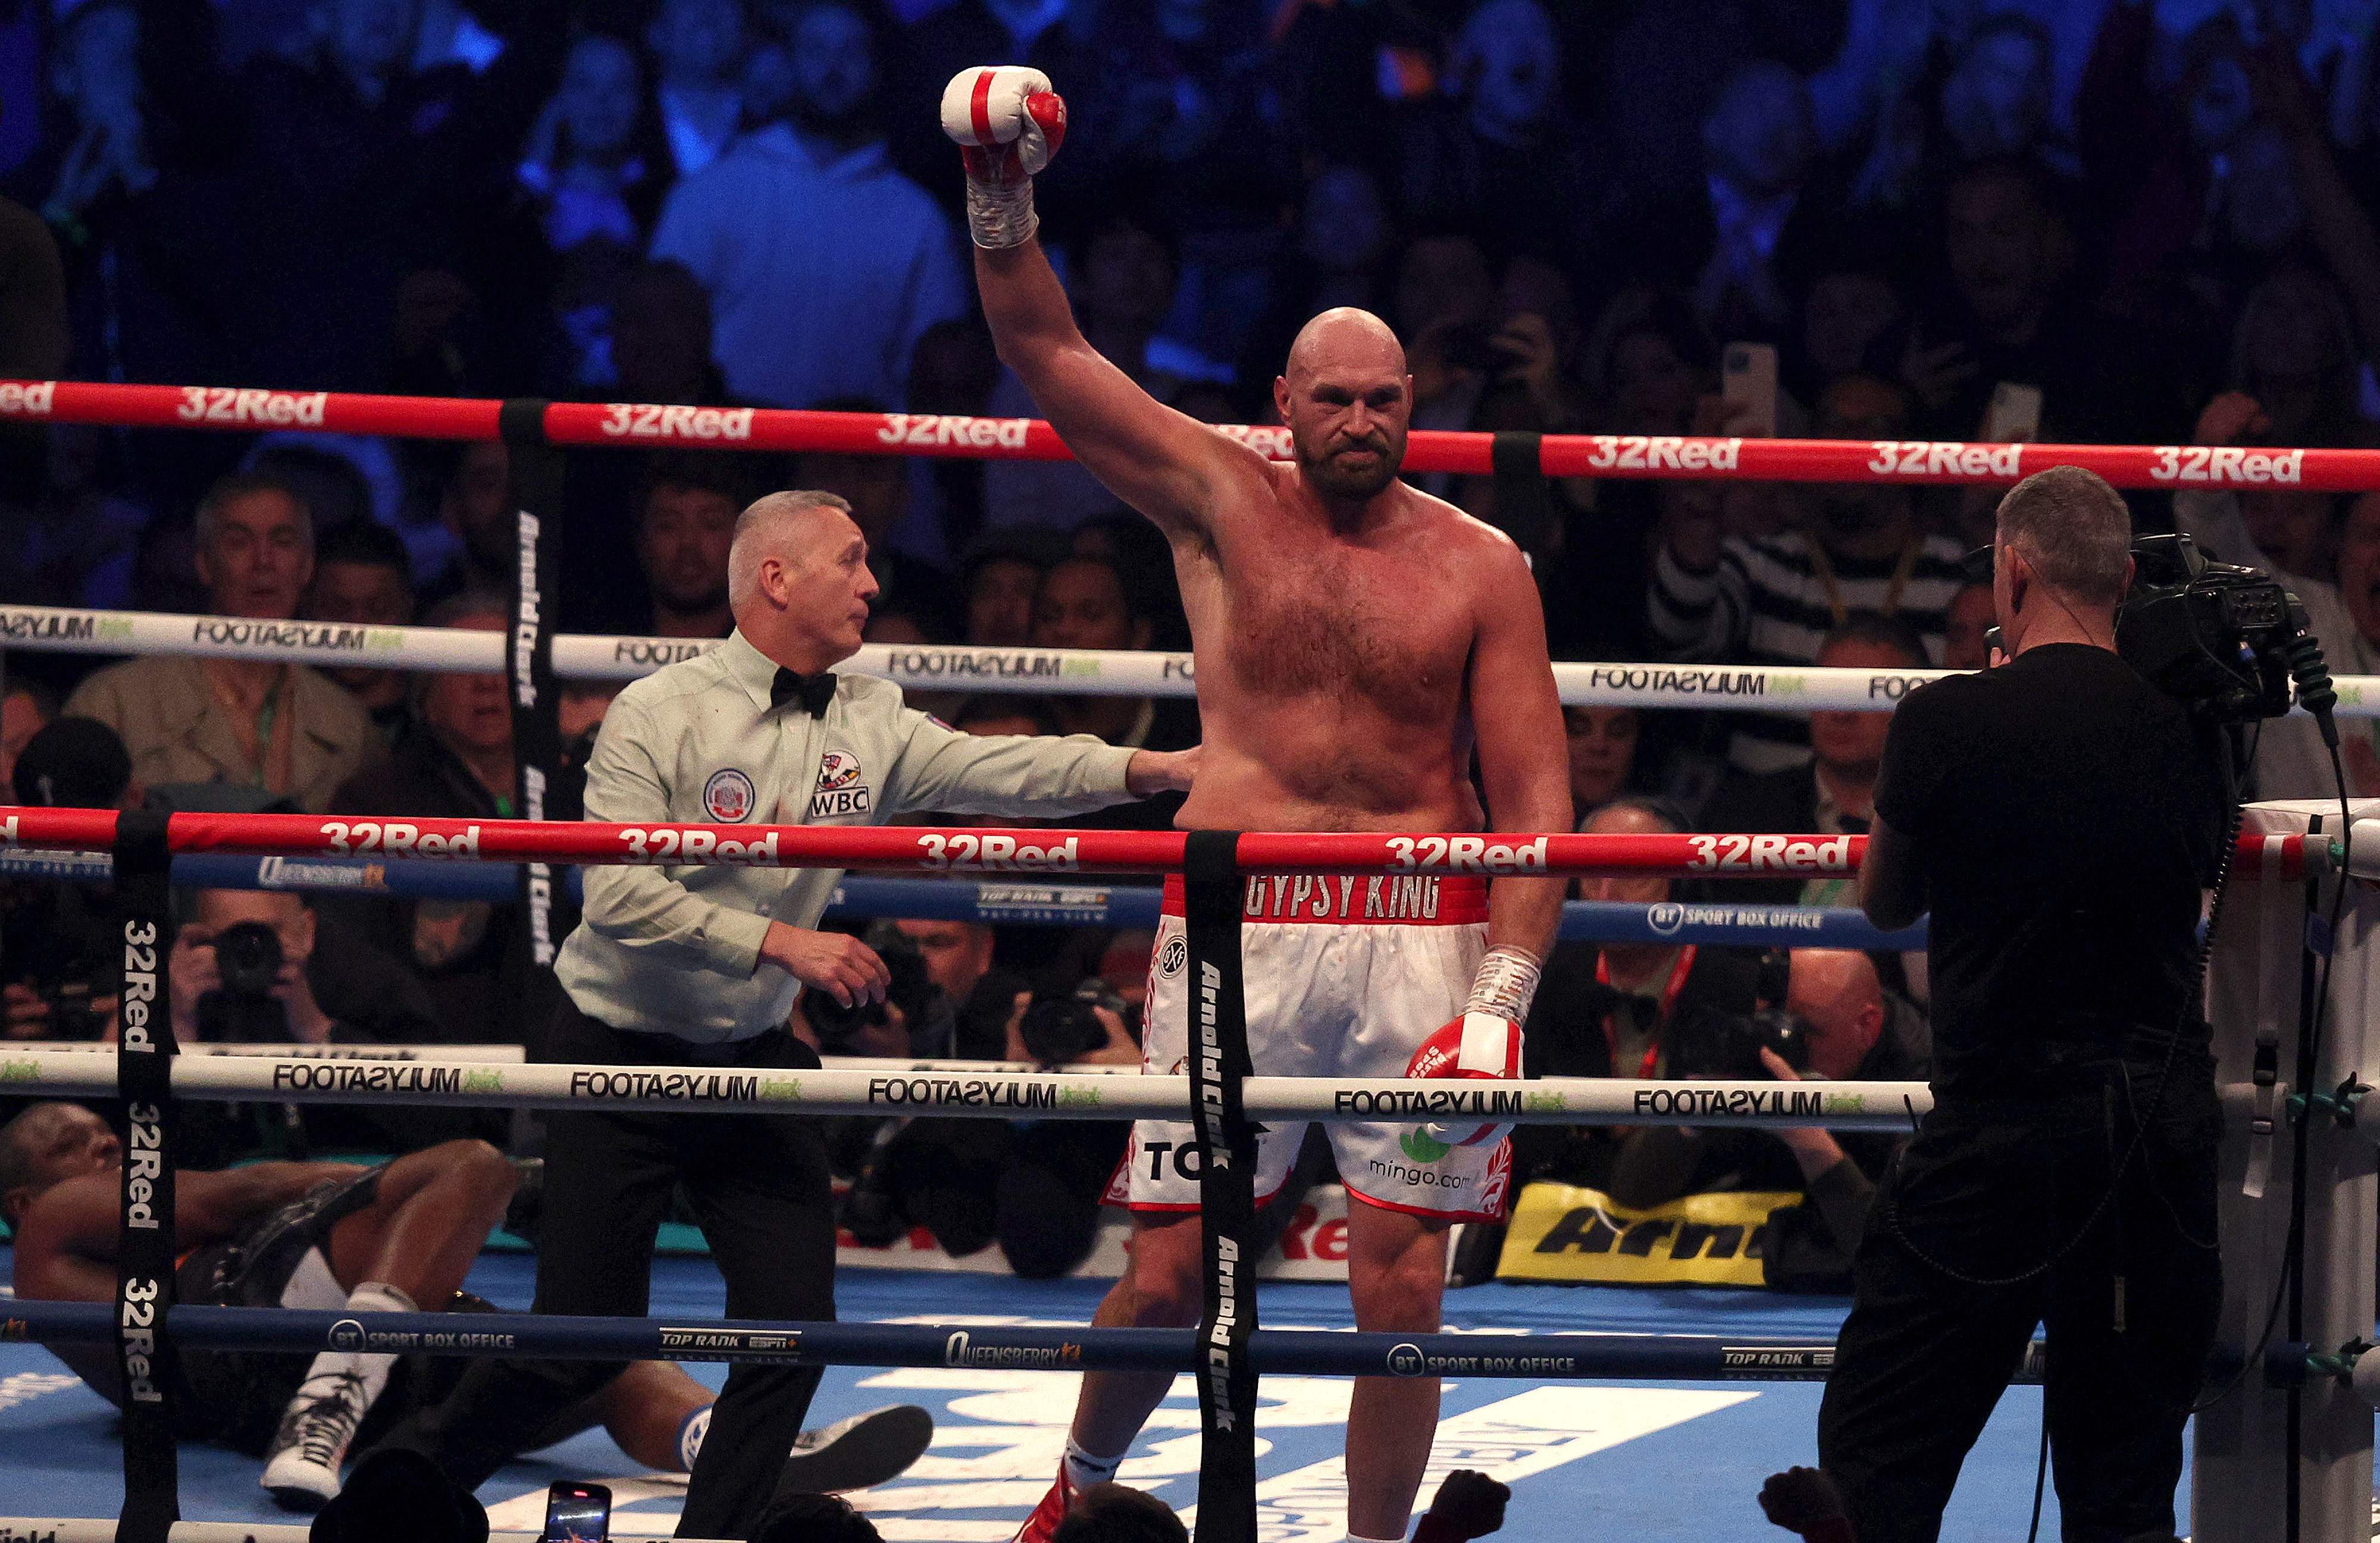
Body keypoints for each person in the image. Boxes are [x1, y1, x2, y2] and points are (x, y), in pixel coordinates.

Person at [947, 69, 1570, 1543]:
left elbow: (1535, 802)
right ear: (1283, 403)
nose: (1357, 419)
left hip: (1417, 928)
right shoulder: (1215, 497)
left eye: (1383, 399)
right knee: (1168, 1273)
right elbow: (1043, 345)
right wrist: (997, 191)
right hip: (1239, 922)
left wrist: (1502, 999)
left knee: (1400, 1287)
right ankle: (1071, 1496)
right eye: (1330, 397)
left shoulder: (1482, 566)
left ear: (1414, 407)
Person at [359, 487, 1198, 1538]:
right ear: (776, 578)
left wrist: (1157, 768)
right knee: (579, 1339)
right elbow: (614, 893)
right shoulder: (658, 712)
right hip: (619, 1052)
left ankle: (715, 1538)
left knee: (793, 1332)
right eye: (849, 561)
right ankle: (392, 1501)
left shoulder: (869, 714)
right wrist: (781, 941)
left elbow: (1009, 768)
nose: (873, 583)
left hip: (751, 1055)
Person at [1812, 466, 2227, 1541]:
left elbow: (1884, 901)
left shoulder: (1948, 718)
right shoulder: (2191, 729)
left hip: (1996, 1133)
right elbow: (2195, 877)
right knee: (2122, 1488)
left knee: (1875, 1456)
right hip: (2150, 1139)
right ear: (2124, 580)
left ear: (2013, 571)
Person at [0, 1103, 932, 1509]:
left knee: (592, 1355)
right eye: (79, 1146)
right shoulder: (49, 1232)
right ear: (20, 1196)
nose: (111, 1150)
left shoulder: (85, 1278)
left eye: (113, 1136)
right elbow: (234, 1193)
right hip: (252, 1320)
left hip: (287, 1396)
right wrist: (394, 1185)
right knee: (474, 1166)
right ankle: (335, 1392)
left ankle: (727, 1445)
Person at [649, 1, 967, 410]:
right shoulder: (713, 193)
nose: (833, 68)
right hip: (726, 445)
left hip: (856, 449)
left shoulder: (918, 220)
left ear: (877, 67)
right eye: (815, 50)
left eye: (851, 51)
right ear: (787, 63)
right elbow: (657, 338)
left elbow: (941, 374)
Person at [1648, 375, 1965, 774]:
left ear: (1915, 450)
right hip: (1766, 807)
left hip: (1913, 807)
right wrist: (1699, 501)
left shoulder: (1958, 575)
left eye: (1876, 427)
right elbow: (1677, 636)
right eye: (1835, 425)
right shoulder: (1761, 563)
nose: (1851, 441)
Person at [65, 472, 376, 812]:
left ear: (307, 566)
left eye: (283, 542)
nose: (264, 562)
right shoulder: (113, 702)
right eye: (239, 543)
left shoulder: (348, 724)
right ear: (204, 564)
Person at [305, 519, 418, 748]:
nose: (357, 627)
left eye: (379, 609)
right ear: (308, 609)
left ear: (407, 610)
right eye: (337, 609)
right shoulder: (284, 716)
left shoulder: (438, 722)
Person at [637, 456, 746, 639]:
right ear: (642, 539)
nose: (688, 544)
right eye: (668, 525)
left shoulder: (773, 650)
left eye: (711, 524)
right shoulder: (598, 638)